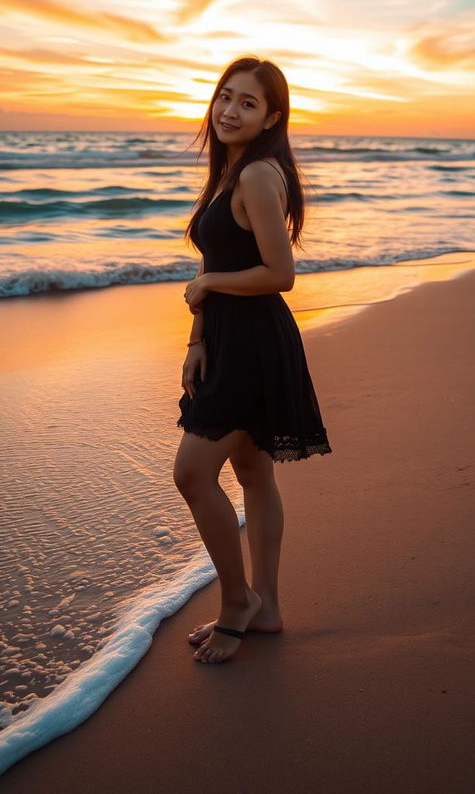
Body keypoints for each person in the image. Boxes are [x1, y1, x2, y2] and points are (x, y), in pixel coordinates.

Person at [174, 55, 332, 665]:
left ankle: (237, 601)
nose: (229, 111)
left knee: (192, 474)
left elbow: (280, 274)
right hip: (231, 339)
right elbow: (215, 263)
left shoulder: (259, 176)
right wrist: (196, 338)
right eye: (225, 96)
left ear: (273, 116)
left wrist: (209, 289)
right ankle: (266, 606)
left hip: (256, 344)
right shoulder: (230, 172)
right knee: (253, 475)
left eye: (247, 103)